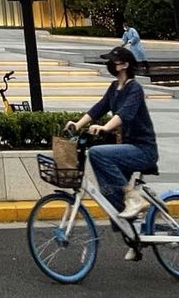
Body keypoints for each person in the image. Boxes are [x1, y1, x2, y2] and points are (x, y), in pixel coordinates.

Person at [66, 47, 158, 261]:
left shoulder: (134, 88)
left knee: (98, 153)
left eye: (113, 61)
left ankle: (134, 198)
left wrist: (105, 128)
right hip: (127, 149)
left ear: (124, 64)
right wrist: (77, 124)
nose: (110, 65)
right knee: (112, 199)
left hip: (143, 149)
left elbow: (125, 114)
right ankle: (134, 238)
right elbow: (98, 108)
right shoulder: (114, 87)